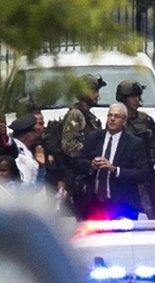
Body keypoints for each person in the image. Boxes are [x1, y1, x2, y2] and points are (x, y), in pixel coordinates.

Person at [74, 103, 149, 220]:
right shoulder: (94, 137)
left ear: (124, 120)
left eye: (117, 116)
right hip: (94, 203)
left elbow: (142, 174)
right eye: (110, 115)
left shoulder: (134, 143)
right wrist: (91, 165)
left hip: (122, 204)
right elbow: (78, 162)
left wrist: (115, 170)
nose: (112, 119)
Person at [115, 79, 155, 219]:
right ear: (124, 99)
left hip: (148, 174)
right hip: (128, 176)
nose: (137, 99)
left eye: (138, 96)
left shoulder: (146, 119)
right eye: (132, 96)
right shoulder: (118, 122)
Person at [61, 74, 106, 216]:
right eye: (94, 91)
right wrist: (91, 153)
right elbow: (68, 145)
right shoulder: (76, 114)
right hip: (78, 176)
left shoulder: (89, 116)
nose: (97, 95)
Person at [8, 114, 45, 185]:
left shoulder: (27, 151)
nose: (37, 135)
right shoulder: (14, 149)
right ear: (28, 134)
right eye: (34, 133)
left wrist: (41, 166)